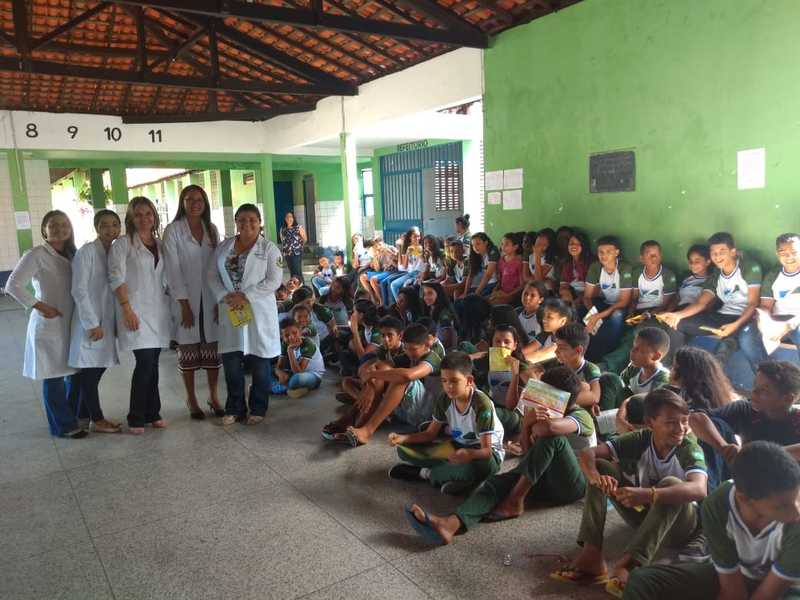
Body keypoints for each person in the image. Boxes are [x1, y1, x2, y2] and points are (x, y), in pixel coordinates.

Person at [403, 367, 595, 545]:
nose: (540, 397)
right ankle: (451, 524)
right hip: (539, 478)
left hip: (571, 485)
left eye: (545, 393)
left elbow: (550, 430)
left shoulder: (580, 415)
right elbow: (528, 454)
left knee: (553, 440)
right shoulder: (538, 415)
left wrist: (532, 421)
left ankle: (515, 500)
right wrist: (526, 426)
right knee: (496, 483)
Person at [551, 389, 708, 597]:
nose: (680, 429)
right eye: (671, 422)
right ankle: (592, 554)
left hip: (681, 528)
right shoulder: (642, 438)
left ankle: (630, 564)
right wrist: (595, 478)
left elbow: (699, 489)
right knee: (601, 468)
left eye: (684, 421)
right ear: (650, 423)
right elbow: (588, 453)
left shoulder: (688, 447)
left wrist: (649, 494)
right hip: (645, 518)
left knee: (670, 484)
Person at [624, 441, 800, 600]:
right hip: (737, 574)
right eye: (782, 506)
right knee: (642, 580)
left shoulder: (795, 521)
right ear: (744, 498)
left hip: (786, 588)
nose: (796, 512)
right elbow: (732, 588)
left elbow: (768, 594)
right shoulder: (717, 505)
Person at [6, 210, 85, 438]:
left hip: (72, 323)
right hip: (48, 324)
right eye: (54, 225)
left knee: (76, 372)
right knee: (53, 375)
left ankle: (71, 416)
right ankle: (63, 426)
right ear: (44, 230)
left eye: (64, 224)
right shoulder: (36, 254)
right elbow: (13, 285)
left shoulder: (73, 254)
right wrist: (41, 307)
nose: (60, 228)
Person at [387, 351, 504, 495]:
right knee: (403, 449)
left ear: (469, 380)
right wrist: (403, 438)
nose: (448, 386)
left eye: (454, 381)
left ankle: (425, 474)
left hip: (485, 454)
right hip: (459, 446)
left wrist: (469, 454)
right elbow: (430, 434)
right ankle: (454, 476)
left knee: (484, 467)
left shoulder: (482, 405)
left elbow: (487, 452)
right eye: (444, 381)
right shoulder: (444, 399)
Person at [208, 203, 282, 426]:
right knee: (231, 362)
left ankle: (258, 408)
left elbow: (274, 281)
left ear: (260, 222)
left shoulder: (269, 249)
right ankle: (235, 408)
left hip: (258, 311)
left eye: (252, 219)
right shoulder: (224, 248)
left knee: (260, 363)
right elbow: (211, 275)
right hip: (231, 310)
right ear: (236, 222)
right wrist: (224, 295)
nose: (247, 223)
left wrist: (246, 295)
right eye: (242, 219)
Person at [108, 197, 172, 434]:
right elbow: (116, 277)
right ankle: (135, 416)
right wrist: (126, 309)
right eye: (138, 215)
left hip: (157, 312)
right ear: (131, 219)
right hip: (134, 311)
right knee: (145, 364)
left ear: (154, 217)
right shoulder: (123, 244)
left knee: (153, 364)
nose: (144, 219)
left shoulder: (159, 243)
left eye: (148, 214)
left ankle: (152, 413)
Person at [162, 184, 223, 420]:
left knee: (212, 351)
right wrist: (184, 304)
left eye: (200, 199)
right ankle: (191, 399)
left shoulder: (212, 229)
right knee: (187, 350)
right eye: (190, 199)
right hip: (184, 298)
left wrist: (219, 299)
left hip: (210, 296)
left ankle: (214, 396)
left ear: (205, 202)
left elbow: (218, 266)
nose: (195, 203)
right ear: (182, 202)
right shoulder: (173, 230)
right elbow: (172, 269)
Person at [662, 232, 763, 368]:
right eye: (713, 252)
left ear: (733, 252)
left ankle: (712, 382)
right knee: (675, 324)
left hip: (745, 319)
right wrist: (676, 315)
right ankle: (673, 371)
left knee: (725, 346)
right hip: (721, 317)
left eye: (722, 251)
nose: (717, 256)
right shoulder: (716, 275)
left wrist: (736, 324)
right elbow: (701, 302)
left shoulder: (749, 267)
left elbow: (753, 303)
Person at [68, 209, 122, 433]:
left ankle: (82, 414)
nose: (110, 229)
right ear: (96, 228)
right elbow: (79, 290)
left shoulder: (117, 251)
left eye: (114, 225)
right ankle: (97, 419)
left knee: (96, 368)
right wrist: (91, 323)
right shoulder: (87, 252)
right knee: (91, 371)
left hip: (106, 322)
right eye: (104, 225)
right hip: (90, 323)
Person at [344, 323, 442, 446]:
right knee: (382, 370)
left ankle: (367, 430)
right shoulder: (407, 355)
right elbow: (375, 366)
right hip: (409, 410)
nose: (409, 352)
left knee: (401, 379)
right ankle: (361, 420)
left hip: (428, 415)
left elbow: (408, 375)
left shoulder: (433, 357)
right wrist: (370, 385)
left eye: (413, 349)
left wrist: (372, 375)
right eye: (406, 348)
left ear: (426, 345)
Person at [690, 360, 800, 463]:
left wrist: (758, 455)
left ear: (787, 399)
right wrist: (724, 448)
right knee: (715, 424)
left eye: (764, 390)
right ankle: (705, 483)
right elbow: (696, 418)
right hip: (746, 475)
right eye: (755, 386)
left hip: (787, 481)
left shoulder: (797, 419)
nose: (754, 392)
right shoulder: (745, 409)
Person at [601, 240, 678, 373]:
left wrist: (648, 315)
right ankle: (616, 366)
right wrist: (632, 313)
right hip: (640, 311)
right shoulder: (637, 273)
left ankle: (610, 366)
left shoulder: (667, 275)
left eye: (656, 254)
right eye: (649, 255)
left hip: (658, 313)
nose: (654, 258)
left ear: (661, 256)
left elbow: (666, 305)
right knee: (622, 328)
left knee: (637, 336)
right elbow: (635, 298)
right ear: (641, 258)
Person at [583, 235, 634, 362]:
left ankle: (604, 354)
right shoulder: (595, 267)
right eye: (601, 252)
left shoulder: (624, 268)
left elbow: (624, 301)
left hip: (621, 306)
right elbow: (587, 297)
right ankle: (584, 349)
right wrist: (593, 312)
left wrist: (598, 316)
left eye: (608, 252)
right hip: (605, 303)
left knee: (616, 316)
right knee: (581, 311)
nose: (603, 255)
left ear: (617, 253)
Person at [603, 327, 671, 412]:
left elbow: (652, 403)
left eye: (640, 350)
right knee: (610, 379)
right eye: (634, 347)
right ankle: (603, 417)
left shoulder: (663, 377)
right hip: (628, 407)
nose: (632, 351)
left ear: (655, 356)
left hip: (645, 414)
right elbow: (618, 384)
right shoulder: (635, 368)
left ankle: (607, 421)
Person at [758, 233, 800, 360]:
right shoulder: (773, 275)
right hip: (778, 319)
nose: (789, 257)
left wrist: (788, 325)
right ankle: (766, 375)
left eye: (794, 252)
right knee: (748, 336)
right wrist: (765, 324)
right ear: (777, 254)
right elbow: (765, 306)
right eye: (783, 252)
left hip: (797, 321)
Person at [554, 323, 602, 410]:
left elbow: (595, 396)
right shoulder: (558, 366)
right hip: (562, 409)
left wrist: (559, 399)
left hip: (576, 412)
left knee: (583, 386)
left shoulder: (590, 369)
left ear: (578, 350)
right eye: (556, 346)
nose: (556, 352)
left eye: (561, 348)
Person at [275, 318, 325, 399]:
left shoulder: (308, 344)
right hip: (293, 371)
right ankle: (290, 389)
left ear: (300, 332)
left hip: (313, 375)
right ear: (282, 336)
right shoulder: (284, 343)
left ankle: (279, 388)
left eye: (295, 333)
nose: (291, 337)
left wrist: (290, 350)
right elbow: (279, 366)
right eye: (286, 335)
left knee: (296, 379)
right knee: (268, 369)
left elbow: (298, 372)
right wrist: (280, 373)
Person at [523, 298, 572, 363]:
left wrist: (516, 360)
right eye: (544, 316)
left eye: (549, 317)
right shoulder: (545, 334)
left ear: (563, 321)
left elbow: (538, 357)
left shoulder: (565, 341)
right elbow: (523, 352)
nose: (544, 320)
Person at [489, 231, 526, 306]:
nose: (503, 247)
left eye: (506, 244)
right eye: (502, 244)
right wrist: (494, 290)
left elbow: (522, 285)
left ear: (515, 247)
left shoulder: (519, 262)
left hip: (514, 294)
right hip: (502, 292)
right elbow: (500, 281)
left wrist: (508, 295)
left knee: (492, 304)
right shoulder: (501, 260)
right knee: (485, 302)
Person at [559, 231, 594, 306]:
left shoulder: (591, 262)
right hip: (573, 293)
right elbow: (563, 286)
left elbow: (593, 288)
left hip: (589, 294)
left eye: (578, 244)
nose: (573, 246)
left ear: (583, 246)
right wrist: (566, 293)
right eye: (571, 243)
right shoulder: (567, 262)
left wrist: (580, 298)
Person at [421, 280, 458, 349]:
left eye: (430, 293)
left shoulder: (445, 313)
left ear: (438, 294)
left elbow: (448, 340)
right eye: (424, 294)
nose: (426, 297)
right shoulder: (430, 308)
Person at [461, 232, 499, 298]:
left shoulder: (493, 251)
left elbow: (488, 275)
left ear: (486, 243)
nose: (475, 247)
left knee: (472, 301)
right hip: (482, 284)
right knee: (462, 297)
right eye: (473, 245)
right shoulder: (477, 255)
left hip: (492, 284)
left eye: (478, 244)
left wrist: (476, 293)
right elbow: (470, 275)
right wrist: (465, 293)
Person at [279, 211, 307, 282]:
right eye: (287, 217)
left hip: (297, 253)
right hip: (287, 253)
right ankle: (295, 289)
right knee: (292, 272)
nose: (289, 218)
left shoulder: (298, 227)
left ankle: (303, 289)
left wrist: (299, 247)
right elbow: (283, 240)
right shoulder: (283, 229)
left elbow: (305, 238)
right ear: (285, 219)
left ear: (293, 218)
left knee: (297, 271)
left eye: (291, 216)